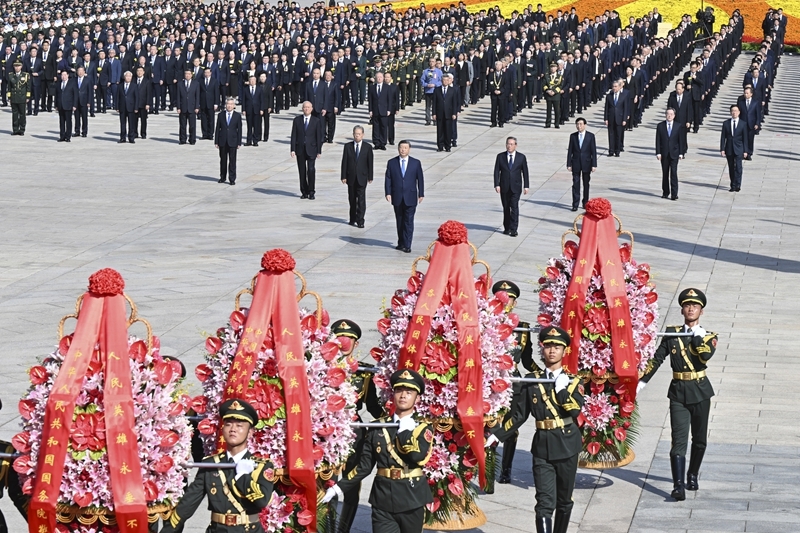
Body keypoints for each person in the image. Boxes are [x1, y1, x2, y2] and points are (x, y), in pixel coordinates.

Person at [489, 326, 584, 533]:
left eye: (557, 347)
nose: (552, 350)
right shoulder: (532, 380)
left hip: (567, 445)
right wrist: (497, 436)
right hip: (542, 447)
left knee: (564, 500)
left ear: (564, 351)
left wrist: (561, 389)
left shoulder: (573, 381)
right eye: (548, 346)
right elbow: (518, 416)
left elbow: (575, 411)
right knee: (543, 502)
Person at [322, 369, 433, 533]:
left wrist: (404, 431)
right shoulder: (378, 426)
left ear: (417, 398)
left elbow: (416, 456)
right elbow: (364, 467)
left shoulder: (422, 427)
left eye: (409, 392)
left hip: (411, 498)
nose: (403, 396)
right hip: (382, 499)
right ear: (393, 394)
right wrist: (337, 489)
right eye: (399, 391)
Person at [638, 288, 717, 502]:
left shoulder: (708, 336)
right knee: (678, 440)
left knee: (699, 440)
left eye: (695, 306)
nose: (691, 309)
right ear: (682, 310)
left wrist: (698, 338)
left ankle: (692, 474)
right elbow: (657, 358)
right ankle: (678, 485)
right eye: (687, 305)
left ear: (701, 311)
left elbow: (705, 356)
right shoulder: (672, 333)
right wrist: (642, 382)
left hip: (700, 391)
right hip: (678, 393)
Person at [160, 398, 274, 533]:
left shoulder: (261, 466)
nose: (233, 429)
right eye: (228, 424)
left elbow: (262, 501)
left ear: (250, 432)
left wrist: (243, 476)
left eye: (239, 426)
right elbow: (187, 505)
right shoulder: (210, 464)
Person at [329, 320, 384, 533]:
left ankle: (344, 529)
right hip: (329, 432)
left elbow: (372, 406)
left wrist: (393, 417)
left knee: (351, 485)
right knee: (329, 482)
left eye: (349, 339)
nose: (344, 342)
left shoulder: (364, 373)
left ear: (356, 343)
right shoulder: (321, 367)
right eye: (339, 338)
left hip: (354, 432)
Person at [492, 280, 534, 485]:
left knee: (511, 427)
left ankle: (506, 469)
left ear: (515, 303)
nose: (505, 301)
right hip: (490, 382)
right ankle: (487, 467)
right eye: (501, 297)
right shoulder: (485, 322)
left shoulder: (522, 328)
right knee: (488, 426)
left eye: (510, 298)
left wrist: (544, 373)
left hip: (512, 382)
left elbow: (527, 361)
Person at [385, 140, 424, 253]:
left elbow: (420, 179)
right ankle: (401, 242)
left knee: (408, 221)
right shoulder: (392, 162)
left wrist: (421, 193)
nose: (403, 150)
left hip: (410, 196)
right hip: (397, 196)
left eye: (405, 148)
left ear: (409, 149)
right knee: (400, 220)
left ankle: (407, 244)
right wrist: (388, 193)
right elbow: (388, 178)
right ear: (398, 148)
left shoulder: (415, 163)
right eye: (401, 147)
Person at [493, 136, 529, 237]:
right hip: (504, 186)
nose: (509, 146)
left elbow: (525, 172)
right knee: (506, 207)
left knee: (514, 207)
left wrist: (526, 186)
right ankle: (507, 227)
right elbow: (496, 171)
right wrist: (497, 184)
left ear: (515, 145)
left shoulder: (521, 157)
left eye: (511, 144)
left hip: (516, 187)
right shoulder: (500, 156)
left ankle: (514, 229)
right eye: (508, 144)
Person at [341, 125, 374, 228]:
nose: (357, 136)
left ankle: (360, 220)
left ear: (363, 135)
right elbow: (344, 162)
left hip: (362, 177)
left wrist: (370, 176)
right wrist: (343, 176)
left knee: (361, 200)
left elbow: (370, 163)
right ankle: (352, 218)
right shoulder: (348, 146)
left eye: (359, 134)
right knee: (352, 199)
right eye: (355, 134)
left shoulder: (367, 147)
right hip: (351, 177)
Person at [291, 101, 324, 199]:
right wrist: (293, 149)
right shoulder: (297, 120)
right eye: (305, 107)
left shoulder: (316, 121)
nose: (306, 109)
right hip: (300, 149)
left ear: (312, 109)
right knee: (302, 171)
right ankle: (304, 191)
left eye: (308, 107)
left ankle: (311, 191)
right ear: (302, 109)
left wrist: (319, 150)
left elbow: (319, 137)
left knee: (311, 170)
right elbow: (294, 135)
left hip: (312, 149)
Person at [655, 108, 687, 201]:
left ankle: (674, 194)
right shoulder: (660, 126)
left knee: (673, 173)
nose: (669, 116)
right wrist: (658, 152)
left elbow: (681, 141)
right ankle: (665, 192)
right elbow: (658, 140)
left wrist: (681, 153)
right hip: (664, 154)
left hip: (674, 154)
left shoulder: (678, 126)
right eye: (668, 114)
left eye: (671, 114)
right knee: (665, 173)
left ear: (674, 115)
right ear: (665, 115)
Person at [566, 117, 597, 211]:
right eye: (577, 124)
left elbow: (593, 151)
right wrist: (569, 164)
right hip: (576, 163)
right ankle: (575, 204)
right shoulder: (573, 136)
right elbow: (570, 151)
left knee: (586, 184)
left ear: (585, 125)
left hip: (586, 163)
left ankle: (585, 202)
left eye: (580, 124)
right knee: (576, 184)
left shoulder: (590, 136)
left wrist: (594, 164)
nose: (579, 126)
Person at [720, 104, 748, 192]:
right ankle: (733, 185)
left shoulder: (743, 124)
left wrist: (745, 150)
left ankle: (738, 184)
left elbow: (745, 138)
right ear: (730, 112)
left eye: (736, 111)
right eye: (732, 111)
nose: (734, 113)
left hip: (739, 149)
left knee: (738, 167)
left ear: (739, 112)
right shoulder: (726, 123)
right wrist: (722, 149)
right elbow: (723, 137)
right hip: (729, 148)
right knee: (731, 167)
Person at [215, 97, 242, 185]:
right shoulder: (221, 115)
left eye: (231, 104)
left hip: (233, 141)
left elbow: (239, 130)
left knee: (232, 160)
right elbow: (217, 129)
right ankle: (222, 177)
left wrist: (239, 142)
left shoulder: (237, 116)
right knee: (223, 160)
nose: (229, 106)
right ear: (225, 105)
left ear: (234, 106)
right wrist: (216, 141)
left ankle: (232, 178)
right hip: (222, 140)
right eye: (228, 104)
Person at [432, 72, 459, 152]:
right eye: (444, 80)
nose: (445, 82)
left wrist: (454, 113)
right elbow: (434, 103)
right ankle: (440, 146)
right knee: (440, 131)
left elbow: (454, 103)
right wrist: (434, 113)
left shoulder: (452, 90)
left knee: (448, 131)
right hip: (439, 113)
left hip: (449, 113)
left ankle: (448, 146)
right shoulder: (437, 90)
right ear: (441, 81)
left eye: (447, 80)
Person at [604, 80, 629, 157]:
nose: (614, 88)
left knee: (618, 135)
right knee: (611, 135)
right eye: (613, 86)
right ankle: (611, 151)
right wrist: (606, 119)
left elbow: (625, 109)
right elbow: (606, 108)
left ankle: (617, 151)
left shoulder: (623, 96)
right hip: (611, 118)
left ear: (619, 87)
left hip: (619, 118)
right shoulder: (609, 96)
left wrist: (624, 119)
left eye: (616, 86)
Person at [737, 86, 761, 159]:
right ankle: (743, 153)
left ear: (751, 94)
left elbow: (758, 114)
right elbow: (738, 113)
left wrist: (757, 123)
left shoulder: (755, 103)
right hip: (743, 123)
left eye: (747, 93)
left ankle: (749, 153)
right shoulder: (741, 103)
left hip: (751, 124)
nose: (745, 94)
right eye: (745, 93)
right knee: (743, 139)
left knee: (750, 139)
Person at [176, 68, 200, 145]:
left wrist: (197, 107)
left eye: (189, 74)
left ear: (191, 75)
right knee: (182, 125)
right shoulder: (180, 84)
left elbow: (197, 96)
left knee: (192, 125)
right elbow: (178, 97)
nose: (187, 75)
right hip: (183, 107)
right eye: (186, 74)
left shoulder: (196, 84)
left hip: (192, 107)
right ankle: (182, 139)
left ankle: (192, 139)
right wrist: (178, 107)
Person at [369, 72, 391, 150]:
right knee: (375, 127)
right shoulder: (372, 87)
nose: (379, 78)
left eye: (380, 77)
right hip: (375, 110)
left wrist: (389, 109)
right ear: (375, 78)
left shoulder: (387, 87)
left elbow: (389, 99)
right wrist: (370, 110)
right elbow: (370, 100)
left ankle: (383, 143)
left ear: (383, 78)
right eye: (377, 77)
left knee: (383, 127)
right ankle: (376, 143)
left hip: (384, 110)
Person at [7, 60, 30, 135]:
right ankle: (15, 129)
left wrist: (27, 97)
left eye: (18, 66)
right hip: (14, 97)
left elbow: (28, 87)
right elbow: (9, 87)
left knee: (22, 114)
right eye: (15, 66)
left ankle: (22, 129)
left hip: (22, 97)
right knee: (15, 114)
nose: (17, 68)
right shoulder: (11, 75)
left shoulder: (25, 75)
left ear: (21, 66)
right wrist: (9, 97)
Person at [116, 71, 138, 144]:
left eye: (129, 76)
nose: (128, 78)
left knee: (131, 124)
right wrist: (117, 107)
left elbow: (136, 98)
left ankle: (131, 138)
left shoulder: (134, 86)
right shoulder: (120, 86)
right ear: (124, 77)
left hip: (131, 107)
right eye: (127, 76)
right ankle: (123, 138)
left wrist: (136, 108)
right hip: (122, 107)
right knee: (123, 123)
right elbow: (117, 97)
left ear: (131, 78)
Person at [199, 67, 220, 140]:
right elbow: (199, 92)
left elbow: (216, 93)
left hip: (211, 103)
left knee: (211, 119)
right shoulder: (201, 81)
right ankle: (204, 134)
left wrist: (216, 103)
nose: (207, 74)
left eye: (208, 72)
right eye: (205, 72)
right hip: (203, 102)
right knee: (203, 120)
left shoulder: (214, 81)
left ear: (211, 73)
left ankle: (210, 134)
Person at [420, 57, 442, 126]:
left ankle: (435, 120)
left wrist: (435, 85)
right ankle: (428, 120)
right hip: (428, 91)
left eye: (433, 61)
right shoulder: (426, 71)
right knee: (428, 107)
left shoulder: (439, 71)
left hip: (436, 91)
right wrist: (427, 85)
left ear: (435, 63)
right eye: (430, 61)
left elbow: (441, 81)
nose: (431, 63)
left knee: (436, 106)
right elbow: (422, 80)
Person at [55, 70, 76, 142]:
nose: (63, 77)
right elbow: (56, 95)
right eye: (62, 75)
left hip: (68, 105)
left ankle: (68, 136)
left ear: (68, 75)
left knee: (68, 121)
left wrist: (74, 105)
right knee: (61, 122)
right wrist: (56, 105)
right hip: (60, 105)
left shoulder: (72, 83)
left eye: (64, 75)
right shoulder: (58, 83)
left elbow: (75, 95)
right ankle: (62, 136)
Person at [242, 74, 263, 146]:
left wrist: (261, 109)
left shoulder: (259, 89)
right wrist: (243, 110)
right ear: (249, 81)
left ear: (256, 81)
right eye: (251, 80)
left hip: (257, 110)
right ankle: (249, 141)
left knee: (256, 126)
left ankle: (255, 141)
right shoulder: (245, 89)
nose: (252, 81)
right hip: (249, 110)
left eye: (253, 80)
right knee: (249, 126)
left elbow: (261, 100)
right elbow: (244, 100)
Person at [322, 69, 340, 143]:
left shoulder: (334, 84)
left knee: (331, 124)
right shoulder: (322, 84)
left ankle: (330, 138)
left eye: (329, 75)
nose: (328, 77)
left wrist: (336, 106)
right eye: (326, 75)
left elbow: (337, 97)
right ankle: (323, 137)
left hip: (331, 107)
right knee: (322, 124)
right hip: (323, 108)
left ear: (332, 76)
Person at [72, 65, 91, 137]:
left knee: (84, 117)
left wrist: (89, 101)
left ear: (84, 72)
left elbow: (90, 92)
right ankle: (77, 131)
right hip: (76, 101)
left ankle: (84, 131)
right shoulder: (74, 80)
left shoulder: (87, 80)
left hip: (84, 101)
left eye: (81, 71)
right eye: (79, 71)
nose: (80, 72)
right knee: (76, 117)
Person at [490, 60, 509, 128]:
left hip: (501, 95)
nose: (498, 66)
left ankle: (501, 122)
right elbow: (490, 84)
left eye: (500, 65)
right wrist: (494, 90)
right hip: (494, 94)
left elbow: (506, 85)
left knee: (501, 109)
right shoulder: (492, 74)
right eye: (497, 65)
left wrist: (501, 91)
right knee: (493, 109)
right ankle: (493, 122)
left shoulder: (504, 74)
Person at [134, 65, 151, 139]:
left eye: (141, 71)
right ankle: (135, 133)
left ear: (144, 72)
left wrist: (148, 103)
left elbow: (149, 93)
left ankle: (143, 133)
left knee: (143, 120)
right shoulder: (133, 80)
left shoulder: (147, 81)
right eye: (138, 71)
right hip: (135, 104)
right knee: (134, 120)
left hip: (143, 103)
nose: (139, 72)